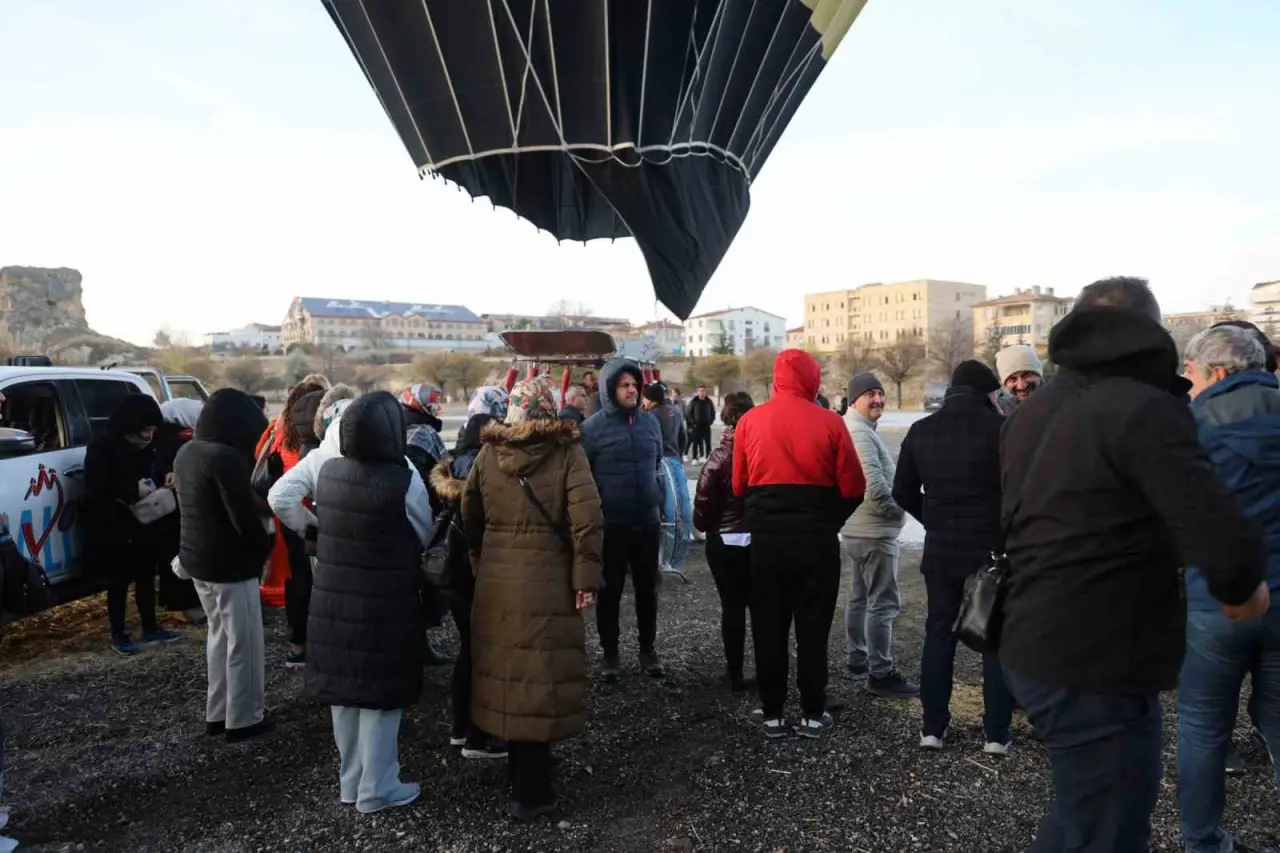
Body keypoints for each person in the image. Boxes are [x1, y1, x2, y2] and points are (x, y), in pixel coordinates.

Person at [999, 276, 1268, 852]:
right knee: (1110, 825)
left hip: (1029, 636)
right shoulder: (1144, 408)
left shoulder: (1035, 407)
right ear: (1152, 333)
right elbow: (1215, 531)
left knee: (1082, 811)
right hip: (1095, 655)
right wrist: (1243, 586)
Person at [461, 374, 603, 821]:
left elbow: (470, 512)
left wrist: (481, 561)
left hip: (497, 579)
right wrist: (585, 578)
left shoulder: (488, 452)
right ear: (548, 408)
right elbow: (587, 520)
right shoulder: (567, 452)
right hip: (550, 577)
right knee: (540, 670)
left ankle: (519, 770)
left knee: (508, 670)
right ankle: (533, 792)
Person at [1176, 325, 1280, 853]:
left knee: (1201, 725)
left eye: (1189, 375)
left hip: (1215, 600)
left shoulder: (1192, 426)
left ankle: (1203, 841)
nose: (1186, 385)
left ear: (1215, 372)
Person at [304, 391, 433, 815]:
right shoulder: (404, 478)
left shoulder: (329, 472)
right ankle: (379, 787)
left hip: (332, 600)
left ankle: (351, 781)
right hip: (383, 601)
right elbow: (422, 532)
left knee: (344, 693)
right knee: (381, 695)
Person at [733, 349, 865, 738]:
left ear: (776, 380)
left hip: (767, 543)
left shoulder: (749, 421)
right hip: (815, 541)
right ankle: (812, 711)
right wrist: (829, 520)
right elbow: (854, 487)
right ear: (813, 380)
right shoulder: (832, 423)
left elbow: (739, 485)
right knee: (813, 627)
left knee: (768, 626)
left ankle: (772, 712)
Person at [892, 360, 1016, 754]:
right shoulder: (1002, 431)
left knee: (939, 633)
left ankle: (933, 728)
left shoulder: (921, 430)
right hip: (991, 548)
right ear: (987, 393)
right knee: (994, 637)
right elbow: (1018, 491)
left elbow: (902, 492)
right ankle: (996, 734)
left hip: (941, 546)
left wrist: (934, 518)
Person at [174, 389, 274, 742]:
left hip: (198, 561)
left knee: (218, 638)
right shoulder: (227, 459)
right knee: (244, 644)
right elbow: (243, 520)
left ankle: (217, 713)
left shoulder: (186, 452)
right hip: (231, 566)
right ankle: (244, 718)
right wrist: (265, 548)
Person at [428, 413, 507, 760]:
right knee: (482, 652)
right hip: (472, 571)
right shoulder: (480, 465)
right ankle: (479, 735)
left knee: (468, 651)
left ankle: (461, 728)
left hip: (454, 572)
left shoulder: (457, 463)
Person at [580, 358, 665, 682]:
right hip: (611, 525)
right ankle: (610, 655)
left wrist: (656, 499)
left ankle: (648, 651)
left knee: (648, 589)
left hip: (647, 521)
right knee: (610, 590)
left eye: (635, 385)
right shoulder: (592, 429)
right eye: (624, 385)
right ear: (609, 389)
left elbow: (657, 463)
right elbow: (583, 477)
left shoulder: (650, 423)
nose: (632, 390)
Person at [84, 393, 181, 655]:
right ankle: (119, 632)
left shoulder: (149, 446)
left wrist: (168, 472)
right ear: (129, 426)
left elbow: (158, 465)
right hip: (115, 522)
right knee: (118, 581)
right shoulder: (102, 447)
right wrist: (130, 489)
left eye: (152, 431)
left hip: (148, 522)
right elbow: (95, 485)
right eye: (144, 431)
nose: (149, 436)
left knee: (147, 576)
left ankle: (150, 626)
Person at [841, 373, 917, 699]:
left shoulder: (856, 429)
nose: (878, 400)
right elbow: (873, 487)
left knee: (859, 597)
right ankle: (881, 673)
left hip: (858, 529)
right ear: (854, 399)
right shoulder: (858, 432)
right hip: (873, 531)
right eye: (870, 394)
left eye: (881, 394)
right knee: (883, 603)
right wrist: (898, 510)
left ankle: (858, 660)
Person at [693, 391, 755, 692]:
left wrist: (706, 526)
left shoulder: (718, 459)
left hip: (724, 539)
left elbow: (703, 506)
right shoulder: (763, 454)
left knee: (732, 607)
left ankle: (734, 673)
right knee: (762, 607)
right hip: (758, 538)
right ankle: (769, 668)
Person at [256, 378, 328, 613]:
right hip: (314, 509)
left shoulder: (278, 427)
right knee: (318, 575)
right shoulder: (319, 436)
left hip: (284, 506)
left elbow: (259, 453)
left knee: (294, 572)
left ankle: (297, 638)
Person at [398, 384, 452, 667]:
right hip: (419, 511)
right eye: (432, 403)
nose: (437, 408)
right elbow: (428, 476)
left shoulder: (399, 426)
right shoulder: (424, 434)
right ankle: (417, 645)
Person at [267, 384, 357, 548]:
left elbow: (279, 497)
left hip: (318, 541)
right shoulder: (388, 457)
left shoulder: (286, 439)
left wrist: (310, 528)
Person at [153, 398, 205, 624]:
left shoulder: (159, 438)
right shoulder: (178, 442)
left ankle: (178, 605)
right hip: (179, 511)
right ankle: (187, 606)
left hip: (165, 511)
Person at [642, 381, 691, 574]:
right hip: (675, 463)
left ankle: (658, 558)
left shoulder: (647, 417)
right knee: (678, 511)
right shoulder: (675, 412)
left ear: (649, 398)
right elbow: (683, 439)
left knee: (660, 512)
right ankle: (675, 560)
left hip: (657, 466)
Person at [993, 344, 1043, 416]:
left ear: (1039, 376)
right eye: (1013, 379)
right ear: (1005, 384)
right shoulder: (1001, 414)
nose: (1021, 386)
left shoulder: (1058, 405)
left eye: (1026, 375)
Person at [686, 386, 716, 464]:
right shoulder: (694, 401)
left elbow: (713, 412)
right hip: (696, 426)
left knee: (707, 443)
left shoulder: (709, 401)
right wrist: (692, 423)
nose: (701, 392)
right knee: (695, 442)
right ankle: (694, 458)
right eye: (700, 391)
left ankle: (708, 457)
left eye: (703, 391)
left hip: (706, 426)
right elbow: (689, 413)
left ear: (705, 392)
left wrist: (711, 421)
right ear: (697, 392)